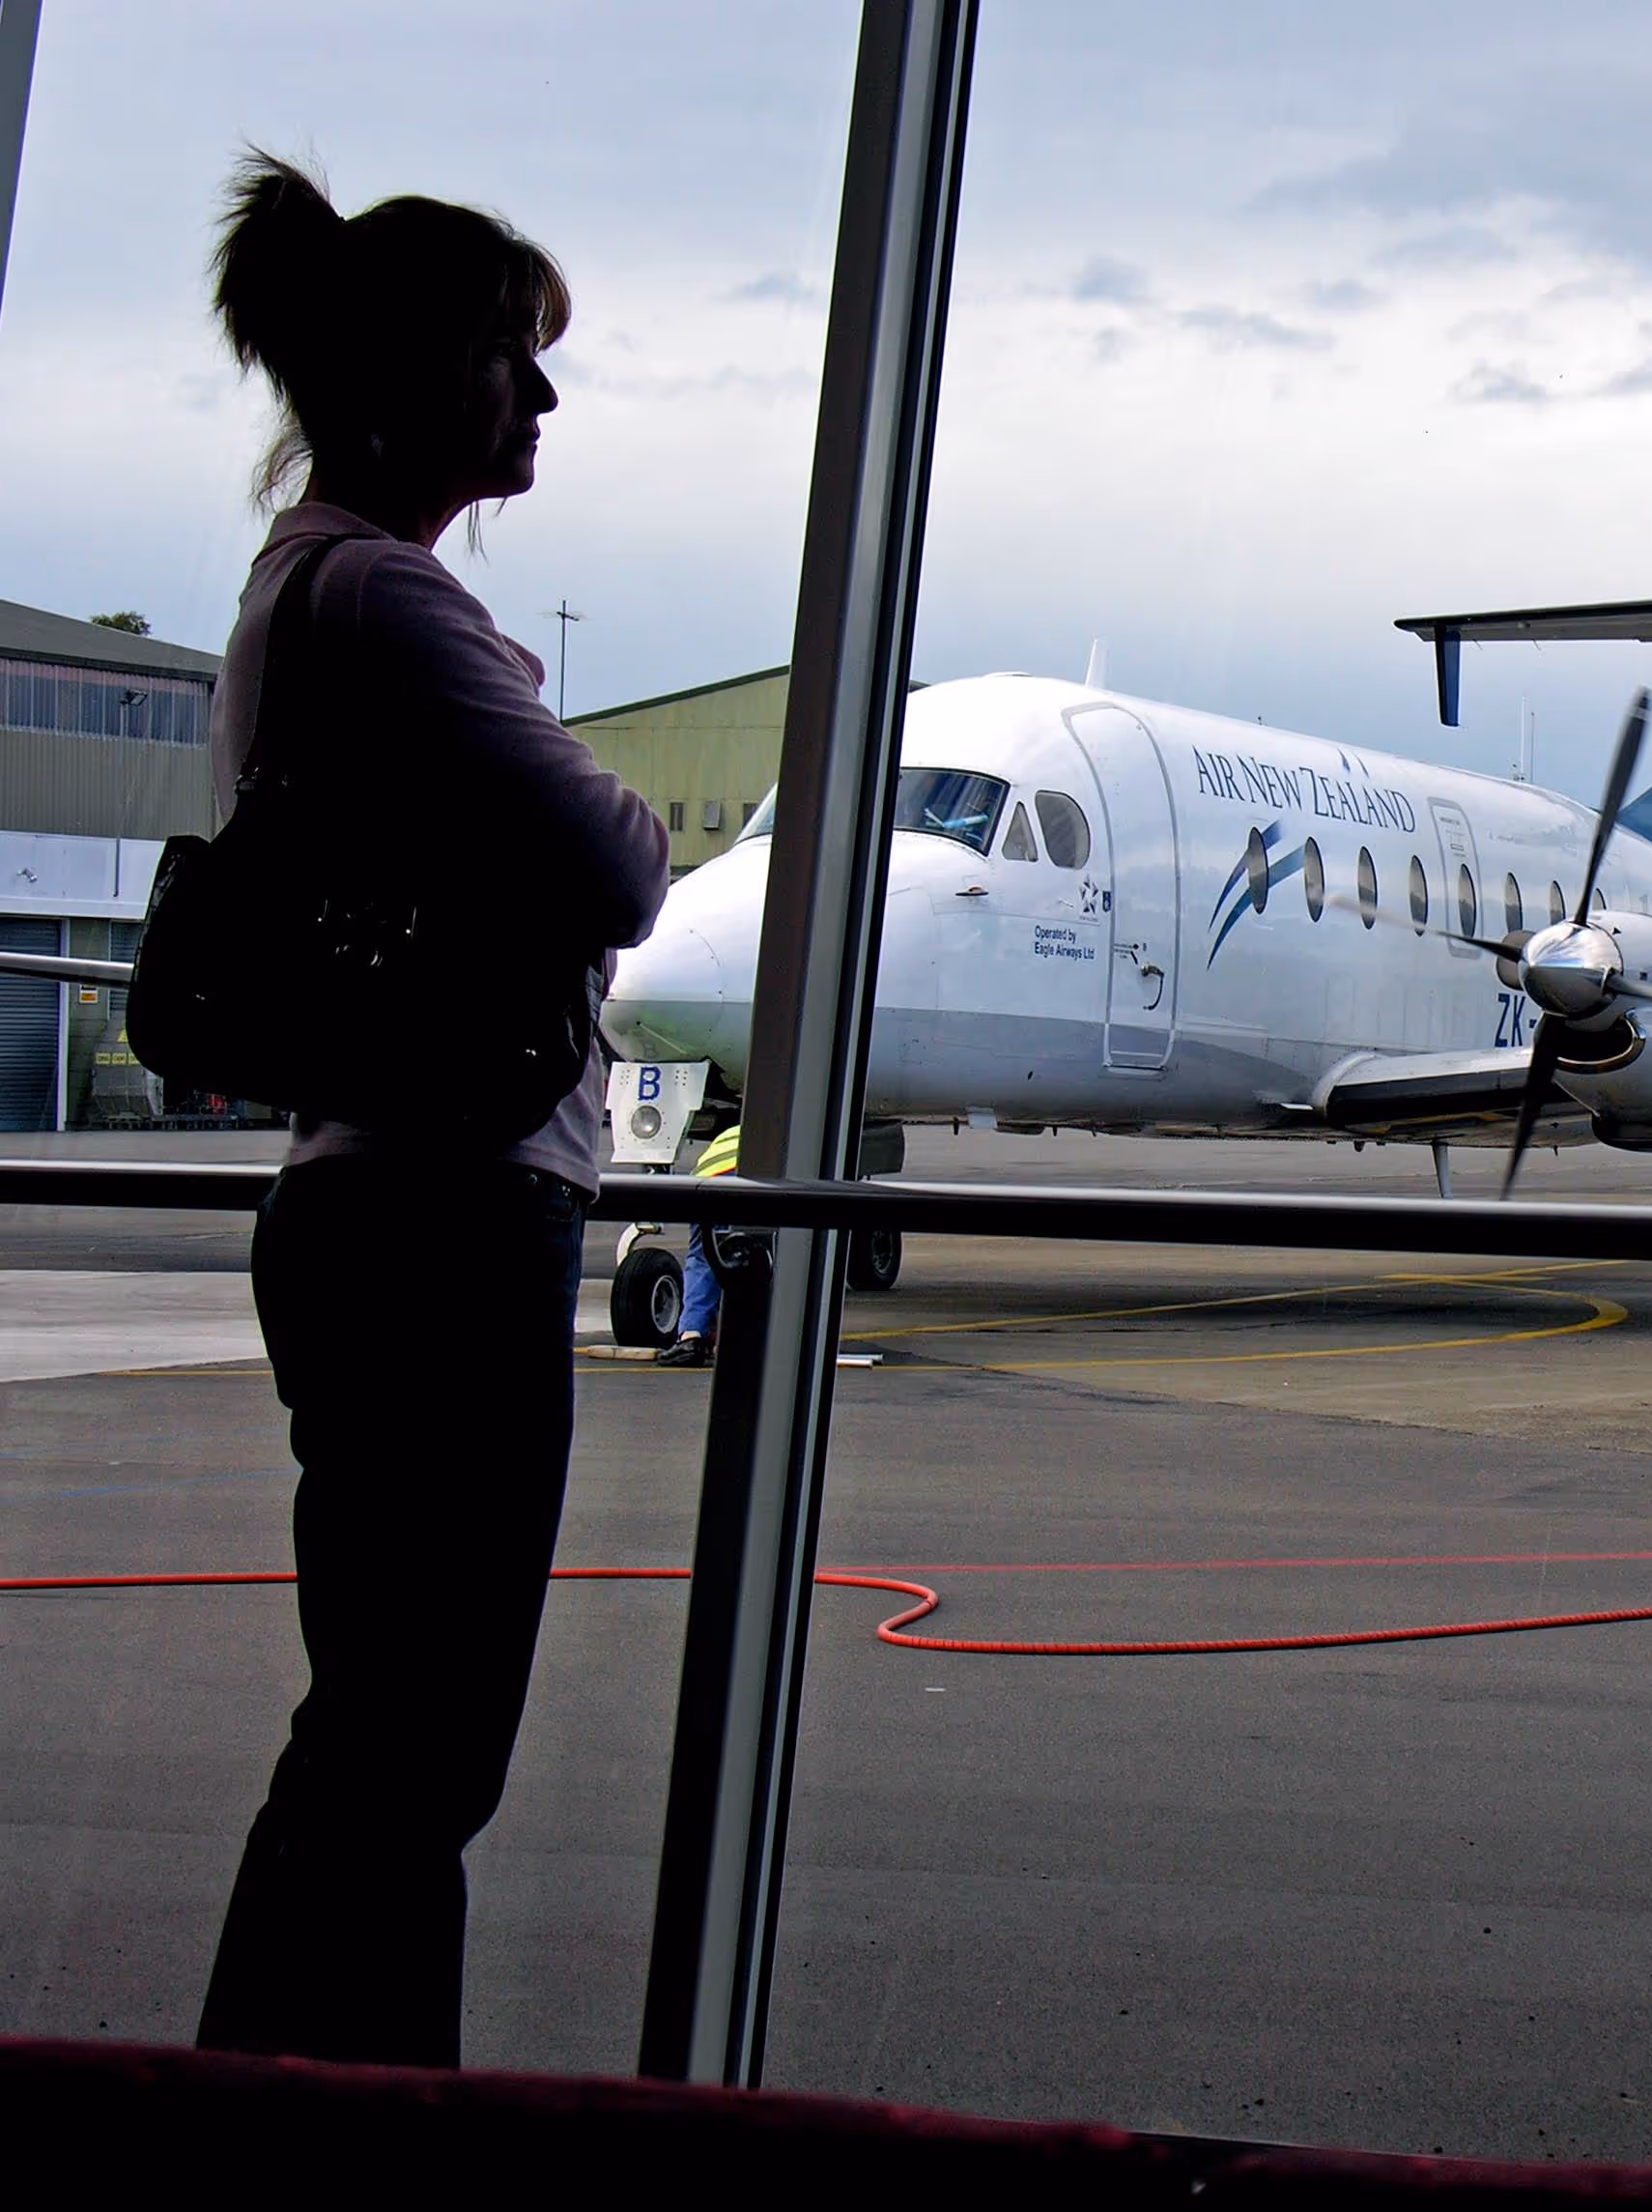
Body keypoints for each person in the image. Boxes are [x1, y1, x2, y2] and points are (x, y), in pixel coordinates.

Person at [193, 153, 669, 2068]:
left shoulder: (306, 585)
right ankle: (345, 2123)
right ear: (408, 377)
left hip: (369, 1210)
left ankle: (279, 2106)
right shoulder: (389, 602)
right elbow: (623, 861)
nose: (540, 398)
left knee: (376, 1733)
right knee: (415, 1746)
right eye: (508, 354)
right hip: (450, 1232)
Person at [655, 1121, 744, 1367]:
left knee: (705, 1257)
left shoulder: (732, 1132)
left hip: (708, 1183)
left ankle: (691, 1336)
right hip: (749, 1175)